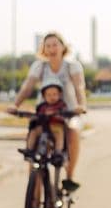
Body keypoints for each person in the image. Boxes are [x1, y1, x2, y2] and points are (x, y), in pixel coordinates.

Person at [8, 31, 87, 191]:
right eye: (48, 45)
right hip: (44, 112)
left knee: (72, 132)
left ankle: (69, 177)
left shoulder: (72, 65)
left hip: (67, 111)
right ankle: (35, 196)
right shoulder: (40, 66)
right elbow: (28, 86)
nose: (52, 48)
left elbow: (79, 86)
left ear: (62, 46)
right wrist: (15, 105)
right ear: (44, 49)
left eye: (55, 44)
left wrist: (81, 105)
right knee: (34, 141)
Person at [27, 78, 67, 164]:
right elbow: (38, 114)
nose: (52, 97)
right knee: (33, 131)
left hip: (56, 127)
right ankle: (29, 149)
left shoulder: (61, 105)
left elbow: (64, 113)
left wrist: (56, 113)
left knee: (59, 134)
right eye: (48, 95)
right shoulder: (42, 106)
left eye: (54, 94)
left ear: (59, 95)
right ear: (44, 96)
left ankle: (58, 152)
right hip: (43, 127)